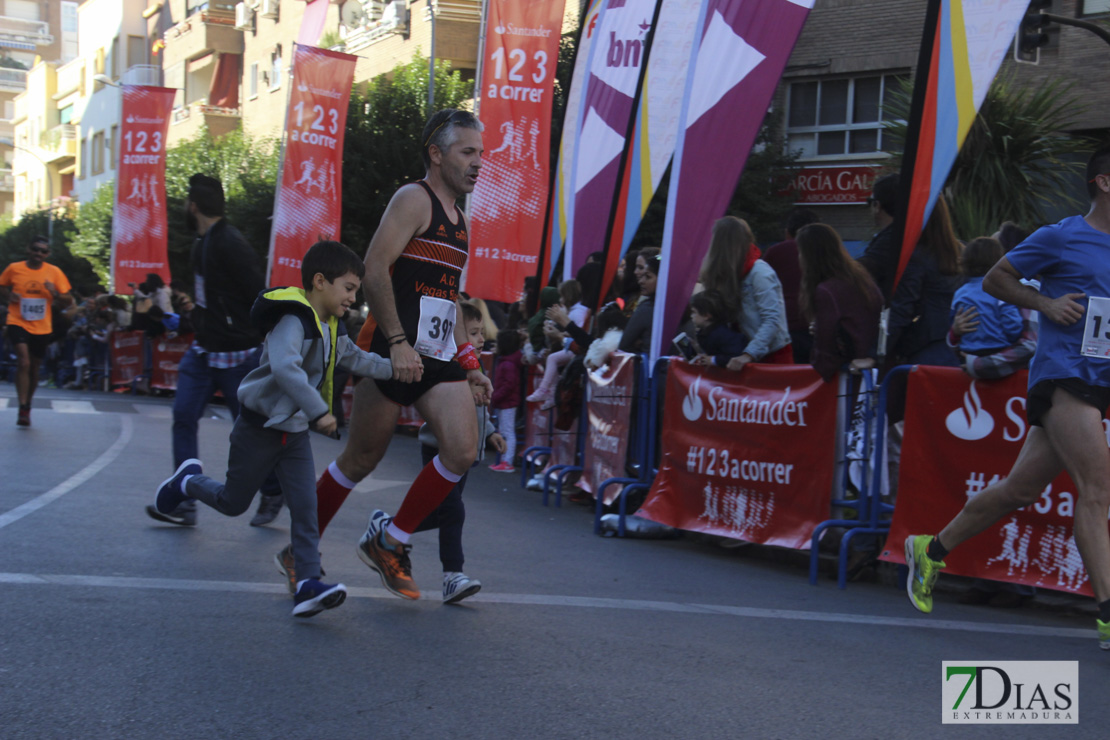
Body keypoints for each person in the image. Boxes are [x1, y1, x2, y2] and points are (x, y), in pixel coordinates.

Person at [904, 147, 1110, 650]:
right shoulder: (1063, 235)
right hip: (1062, 377)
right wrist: (1046, 303)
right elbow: (998, 277)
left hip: (1099, 381)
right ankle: (1108, 615)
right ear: (1105, 182)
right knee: (1098, 489)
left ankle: (930, 550)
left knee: (1020, 490)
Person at [153, 241, 392, 617]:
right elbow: (284, 367)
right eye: (348, 288)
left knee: (306, 508)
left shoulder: (332, 325)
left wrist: (400, 368)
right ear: (319, 281)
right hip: (259, 429)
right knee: (233, 503)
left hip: (293, 434)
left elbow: (355, 358)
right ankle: (186, 480)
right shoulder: (292, 321)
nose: (352, 297)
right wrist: (319, 412)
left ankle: (308, 584)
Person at [311, 108, 491, 601]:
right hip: (391, 349)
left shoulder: (461, 220)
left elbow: (449, 298)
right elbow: (373, 267)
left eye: (481, 153)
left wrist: (469, 363)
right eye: (467, 152)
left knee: (462, 449)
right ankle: (299, 551)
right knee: (360, 459)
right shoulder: (414, 199)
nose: (479, 163)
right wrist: (395, 341)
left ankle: (391, 540)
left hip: (435, 356)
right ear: (437, 154)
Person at [145, 173, 284, 527]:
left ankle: (272, 489)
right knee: (183, 416)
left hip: (238, 354)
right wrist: (190, 316)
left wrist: (268, 338)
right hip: (204, 352)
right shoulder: (200, 244)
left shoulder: (230, 243)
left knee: (249, 430)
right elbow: (211, 299)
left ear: (193, 206)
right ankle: (182, 500)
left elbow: (258, 291)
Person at [408, 302, 506, 602]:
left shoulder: (476, 366)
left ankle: (389, 527)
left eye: (480, 333)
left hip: (466, 453)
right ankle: (452, 575)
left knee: (441, 513)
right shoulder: (450, 366)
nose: (478, 340)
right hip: (440, 448)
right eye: (472, 333)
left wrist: (490, 432)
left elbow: (479, 411)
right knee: (453, 510)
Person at [697, 217, 792, 371]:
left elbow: (772, 319)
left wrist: (749, 354)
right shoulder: (725, 274)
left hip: (769, 357)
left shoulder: (759, 272)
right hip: (737, 357)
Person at [795, 223, 883, 382]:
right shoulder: (860, 279)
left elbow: (825, 353)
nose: (798, 257)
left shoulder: (826, 291)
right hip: (871, 370)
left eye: (800, 252)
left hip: (851, 375)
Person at [0, 236, 73, 426]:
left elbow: (69, 300)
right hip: (17, 320)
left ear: (47, 254)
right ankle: (22, 405)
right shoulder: (14, 268)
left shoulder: (54, 272)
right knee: (23, 361)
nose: (39, 254)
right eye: (35, 249)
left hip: (42, 325)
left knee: (34, 367)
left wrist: (54, 292)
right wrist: (10, 295)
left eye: (43, 251)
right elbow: (2, 286)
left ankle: (28, 403)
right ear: (28, 250)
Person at [885, 196, 963, 368]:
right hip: (960, 344)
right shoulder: (961, 252)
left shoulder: (916, 258)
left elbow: (902, 309)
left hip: (926, 347)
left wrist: (879, 353)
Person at [763, 208, 820, 362]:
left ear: (787, 232)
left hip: (783, 327)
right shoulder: (823, 252)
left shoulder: (774, 253)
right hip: (816, 326)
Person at [950, 237, 1022, 358]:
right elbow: (1012, 325)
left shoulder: (959, 293)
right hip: (998, 351)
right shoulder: (1000, 291)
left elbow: (953, 322)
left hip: (968, 352)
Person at [857, 172, 901, 301]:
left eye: (870, 201)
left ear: (877, 205)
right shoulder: (906, 234)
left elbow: (860, 272)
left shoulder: (890, 240)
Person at [490, 327, 523, 473]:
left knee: (508, 432)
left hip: (507, 402)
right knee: (505, 431)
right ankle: (505, 460)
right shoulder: (507, 362)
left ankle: (507, 461)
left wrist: (495, 397)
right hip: (505, 402)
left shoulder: (508, 364)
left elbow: (508, 385)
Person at [688, 290, 748, 368]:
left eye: (694, 312)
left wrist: (714, 360)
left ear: (706, 315)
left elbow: (735, 356)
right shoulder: (706, 332)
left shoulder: (724, 335)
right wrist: (696, 348)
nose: (691, 316)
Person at [619, 248, 659, 354]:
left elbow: (623, 346)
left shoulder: (646, 308)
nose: (641, 280)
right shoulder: (681, 309)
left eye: (648, 276)